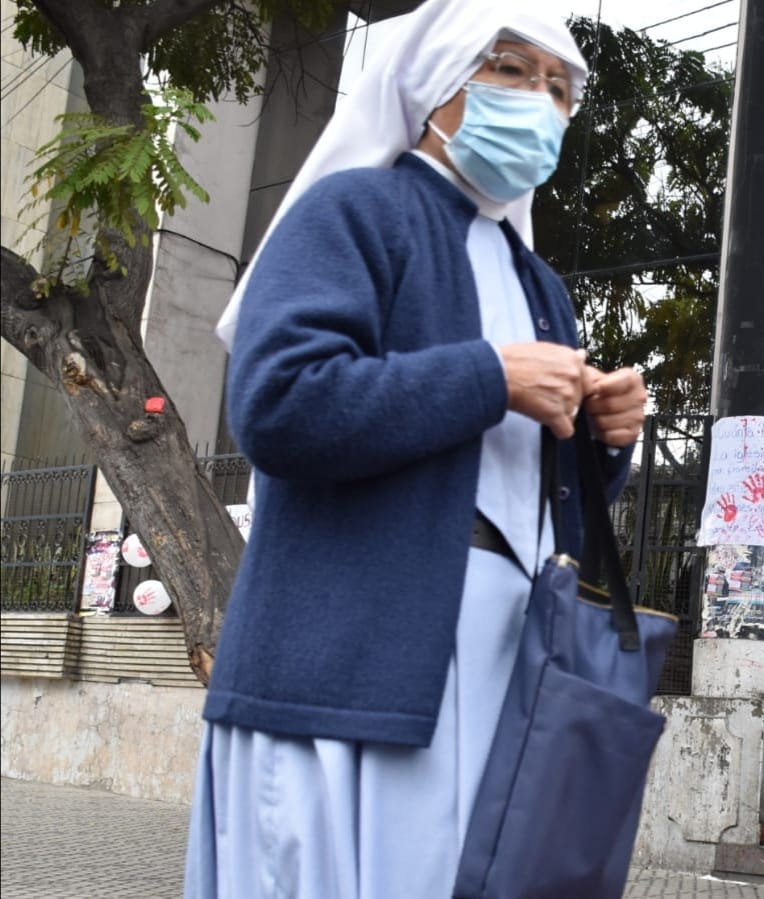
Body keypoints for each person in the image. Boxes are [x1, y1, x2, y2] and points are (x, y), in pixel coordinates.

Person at [183, 3, 648, 897]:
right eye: (511, 71)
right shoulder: (353, 210)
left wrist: (600, 439)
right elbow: (278, 404)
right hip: (349, 670)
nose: (539, 101)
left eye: (559, 87)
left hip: (504, 665)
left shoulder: (537, 280)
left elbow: (531, 498)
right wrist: (489, 377)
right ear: (438, 86)